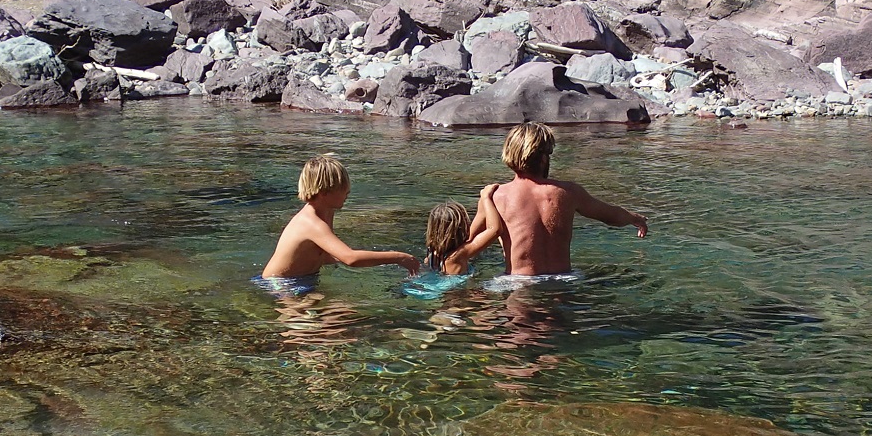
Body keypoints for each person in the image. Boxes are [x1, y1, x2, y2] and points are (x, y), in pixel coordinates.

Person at [457, 122, 648, 277]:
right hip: (564, 279)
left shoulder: (496, 196)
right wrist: (635, 218)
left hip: (519, 281)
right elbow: (610, 215)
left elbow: (469, 240)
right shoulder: (568, 192)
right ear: (543, 159)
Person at [258, 154, 419, 290]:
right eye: (341, 187)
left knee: (343, 313)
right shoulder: (311, 223)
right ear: (323, 192)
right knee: (339, 316)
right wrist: (398, 257)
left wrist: (379, 263)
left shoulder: (326, 212)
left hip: (306, 281)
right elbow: (350, 258)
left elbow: (324, 255)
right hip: (281, 284)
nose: (348, 191)